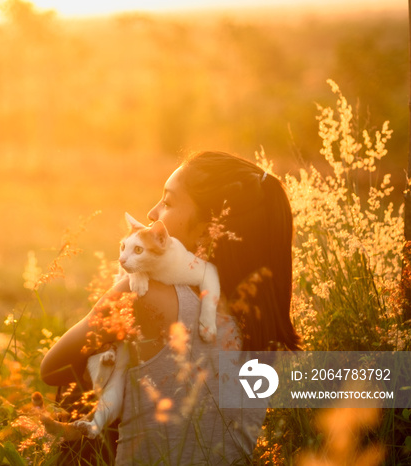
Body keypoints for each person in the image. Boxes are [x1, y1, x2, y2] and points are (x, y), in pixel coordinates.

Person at [39, 151, 301, 465]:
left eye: (168, 202)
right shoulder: (262, 325)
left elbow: (52, 368)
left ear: (207, 229)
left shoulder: (144, 294)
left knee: (93, 361)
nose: (152, 213)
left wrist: (109, 322)